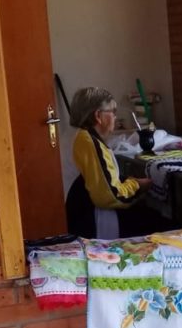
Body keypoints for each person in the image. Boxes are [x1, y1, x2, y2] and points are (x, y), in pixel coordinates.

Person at [64, 86, 163, 239]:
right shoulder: (88, 142)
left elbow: (104, 177)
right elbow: (110, 196)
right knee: (159, 223)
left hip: (82, 211)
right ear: (98, 116)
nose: (115, 117)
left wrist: (129, 181)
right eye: (113, 112)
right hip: (94, 219)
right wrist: (137, 185)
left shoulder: (82, 136)